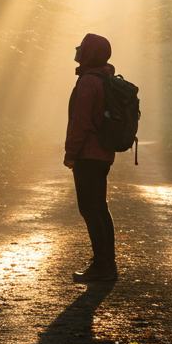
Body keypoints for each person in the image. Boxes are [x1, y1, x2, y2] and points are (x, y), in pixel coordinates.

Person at [64, 32, 117, 282]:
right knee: (100, 208)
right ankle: (108, 264)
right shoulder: (106, 78)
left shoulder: (88, 81)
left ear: (89, 53)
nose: (77, 50)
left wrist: (71, 154)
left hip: (87, 154)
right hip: (104, 153)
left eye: (82, 47)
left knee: (90, 209)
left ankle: (101, 267)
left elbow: (80, 122)